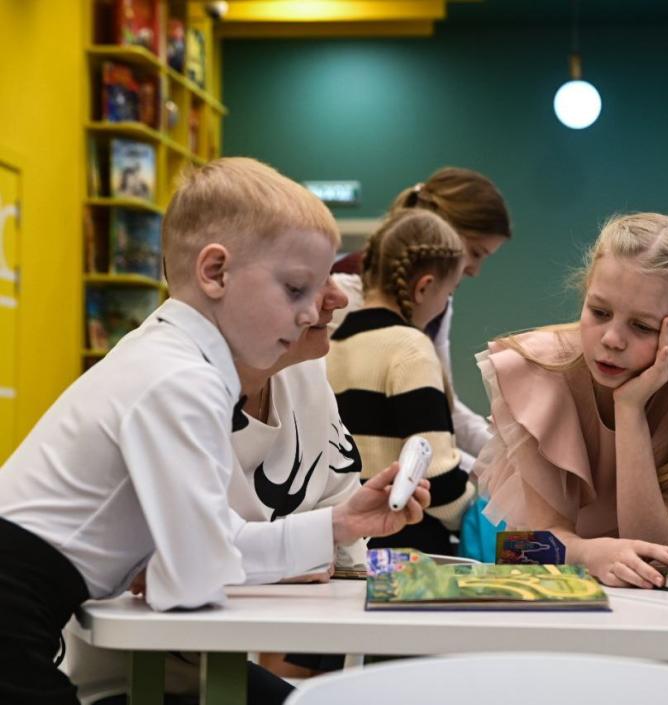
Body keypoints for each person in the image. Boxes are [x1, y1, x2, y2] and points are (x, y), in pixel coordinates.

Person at [0, 158, 426, 705]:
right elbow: (195, 580)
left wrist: (341, 524)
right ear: (216, 272)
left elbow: (214, 548)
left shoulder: (173, 361)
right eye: (296, 289)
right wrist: (182, 566)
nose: (311, 314)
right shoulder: (181, 380)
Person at [472, 212, 668, 589]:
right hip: (561, 597)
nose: (612, 339)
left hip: (665, 603)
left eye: (642, 326)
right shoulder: (537, 375)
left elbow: (656, 555)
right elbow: (527, 547)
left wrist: (630, 409)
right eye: (599, 312)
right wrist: (588, 553)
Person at [331, 166, 512, 465]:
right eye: (476, 252)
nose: (475, 271)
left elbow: (443, 404)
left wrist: (508, 456)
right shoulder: (339, 294)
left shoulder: (439, 307)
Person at [327, 209, 473, 556]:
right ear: (424, 287)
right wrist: (480, 508)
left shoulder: (332, 344)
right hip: (408, 551)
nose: (444, 305)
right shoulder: (410, 348)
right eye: (448, 293)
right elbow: (437, 480)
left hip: (349, 549)